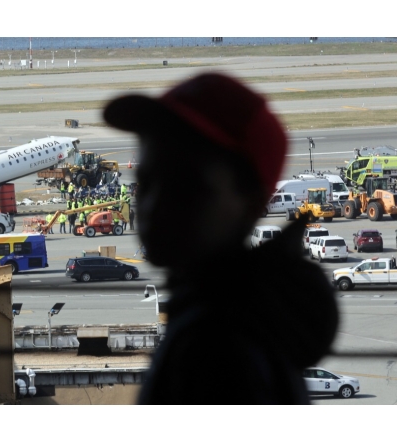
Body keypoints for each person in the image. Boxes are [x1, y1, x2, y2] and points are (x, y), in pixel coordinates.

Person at [103, 72, 338, 404]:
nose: (154, 205)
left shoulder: (216, 348)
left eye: (185, 186)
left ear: (253, 201)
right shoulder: (244, 316)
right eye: (147, 182)